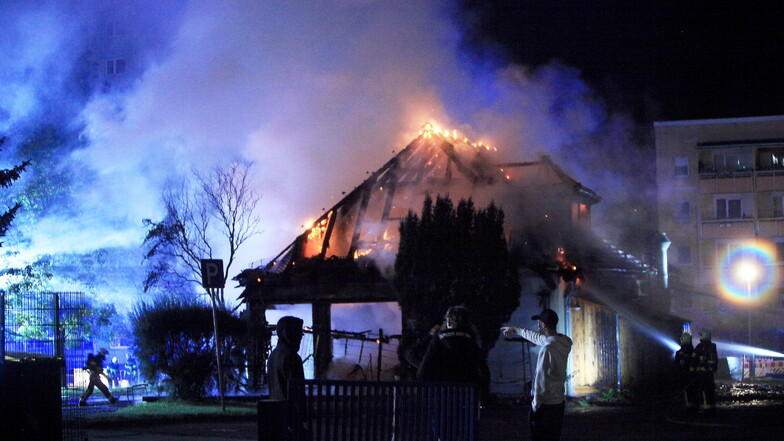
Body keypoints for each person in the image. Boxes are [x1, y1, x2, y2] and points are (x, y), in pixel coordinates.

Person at [501, 308, 572, 441]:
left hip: (545, 405)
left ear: (543, 325)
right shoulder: (563, 342)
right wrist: (516, 330)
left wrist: (535, 405)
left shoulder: (547, 349)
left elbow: (541, 380)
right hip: (559, 402)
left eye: (539, 322)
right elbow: (537, 337)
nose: (538, 325)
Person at [417, 305, 488, 392]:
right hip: (467, 395)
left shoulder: (438, 339)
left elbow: (422, 372)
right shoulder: (471, 342)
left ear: (449, 322)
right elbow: (484, 372)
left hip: (441, 395)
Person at [267, 316, 306, 437]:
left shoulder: (273, 356)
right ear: (290, 334)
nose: (300, 338)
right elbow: (297, 391)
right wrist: (304, 416)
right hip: (292, 415)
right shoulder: (292, 358)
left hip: (276, 414)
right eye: (298, 334)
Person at [694, 329, 718, 414]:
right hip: (709, 374)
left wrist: (693, 369)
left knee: (703, 390)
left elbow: (694, 359)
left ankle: (706, 408)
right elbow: (714, 361)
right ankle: (711, 407)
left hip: (702, 374)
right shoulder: (712, 346)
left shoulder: (699, 347)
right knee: (710, 389)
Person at [674, 332, 698, 414]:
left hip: (683, 376)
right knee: (693, 391)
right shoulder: (694, 352)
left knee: (686, 392)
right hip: (693, 376)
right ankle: (694, 407)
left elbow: (676, 365)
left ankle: (688, 407)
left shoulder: (679, 353)